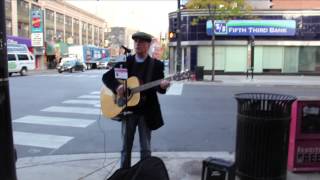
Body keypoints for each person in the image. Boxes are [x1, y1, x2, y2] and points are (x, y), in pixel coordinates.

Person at [102, 31, 170, 169]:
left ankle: (145, 174)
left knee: (145, 149)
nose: (138, 44)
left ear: (148, 45)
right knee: (126, 148)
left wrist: (163, 86)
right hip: (128, 111)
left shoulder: (156, 65)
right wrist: (118, 86)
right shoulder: (127, 62)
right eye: (136, 42)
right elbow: (107, 77)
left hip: (146, 111)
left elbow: (159, 89)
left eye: (142, 42)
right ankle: (124, 174)